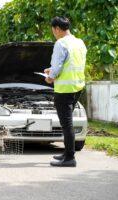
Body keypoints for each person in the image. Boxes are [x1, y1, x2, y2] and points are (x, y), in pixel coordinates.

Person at [44, 16, 87, 167]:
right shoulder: (79, 42)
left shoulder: (60, 43)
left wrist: (50, 77)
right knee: (67, 123)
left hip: (64, 90)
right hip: (77, 87)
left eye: (53, 31)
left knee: (66, 124)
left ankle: (69, 158)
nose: (53, 34)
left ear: (57, 29)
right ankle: (66, 153)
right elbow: (71, 64)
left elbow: (56, 68)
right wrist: (53, 71)